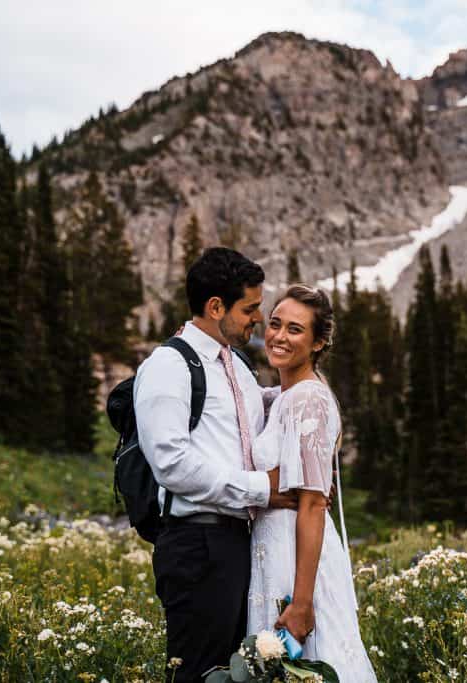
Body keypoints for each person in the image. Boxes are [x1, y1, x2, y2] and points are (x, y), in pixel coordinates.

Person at [134, 247, 299, 682]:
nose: (258, 319)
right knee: (198, 671)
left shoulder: (236, 365)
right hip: (195, 546)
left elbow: (254, 417)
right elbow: (172, 463)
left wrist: (304, 398)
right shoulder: (168, 366)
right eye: (250, 308)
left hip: (235, 544)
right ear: (215, 307)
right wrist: (263, 488)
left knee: (234, 673)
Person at [247, 284, 377, 682]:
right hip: (272, 552)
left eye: (295, 330)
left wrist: (302, 601)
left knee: (307, 664)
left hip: (298, 561)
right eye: (274, 324)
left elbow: (313, 504)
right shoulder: (280, 398)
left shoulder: (309, 400)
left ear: (319, 342)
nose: (279, 337)